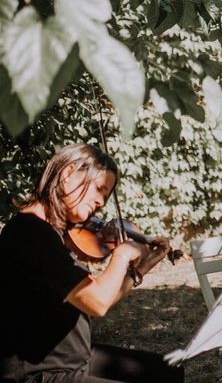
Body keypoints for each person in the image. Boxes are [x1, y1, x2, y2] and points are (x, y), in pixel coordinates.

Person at [0, 143, 184, 383]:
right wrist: (121, 254)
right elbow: (97, 303)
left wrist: (140, 269)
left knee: (167, 370)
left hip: (75, 360)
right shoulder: (31, 234)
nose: (100, 202)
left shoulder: (57, 233)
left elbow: (92, 299)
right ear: (67, 174)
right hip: (38, 374)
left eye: (106, 196)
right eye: (98, 189)